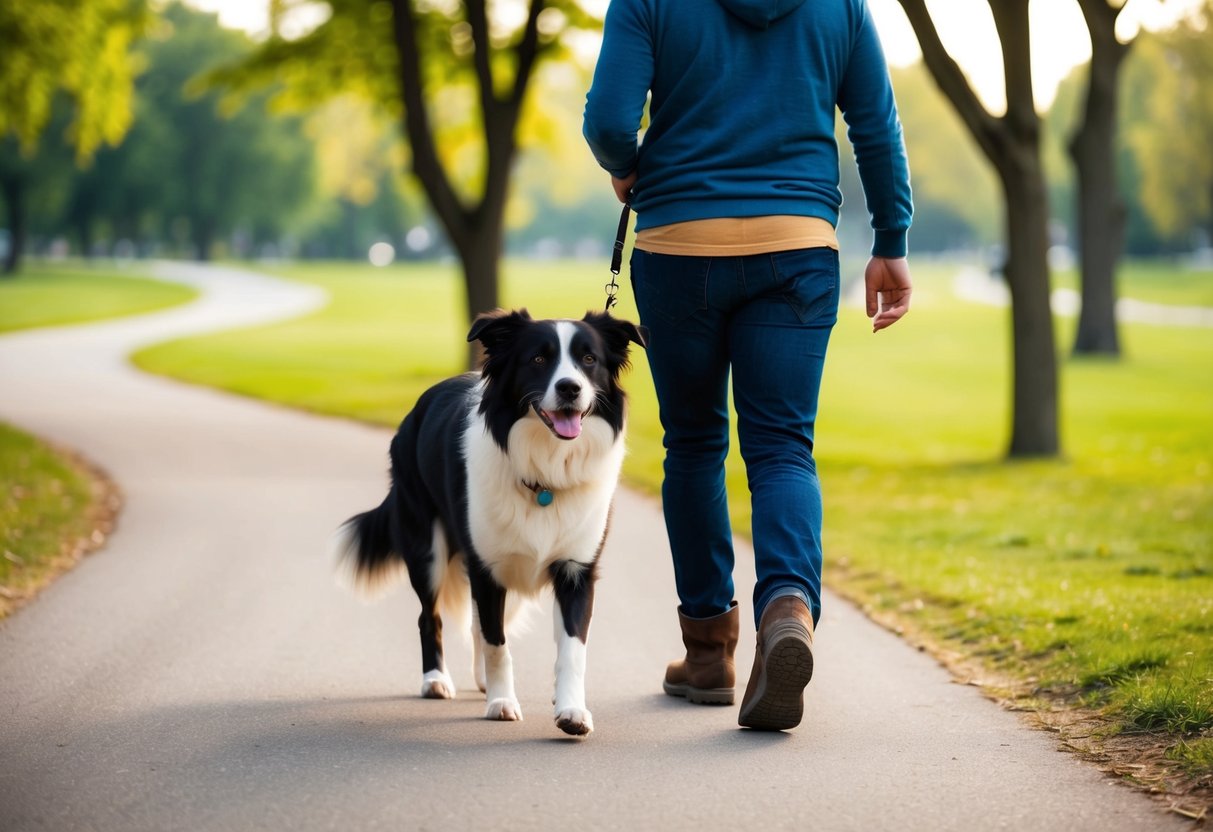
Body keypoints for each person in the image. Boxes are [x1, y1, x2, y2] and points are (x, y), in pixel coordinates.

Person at [583, 0, 913, 730]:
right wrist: (889, 238)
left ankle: (707, 653)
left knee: (694, 443)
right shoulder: (843, 7)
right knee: (782, 448)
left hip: (677, 244)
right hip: (796, 246)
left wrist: (628, 168)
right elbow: (874, 126)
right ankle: (787, 609)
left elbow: (609, 117)